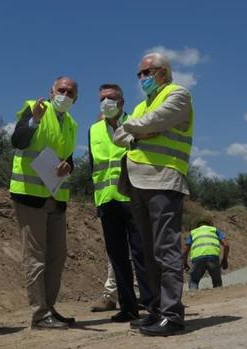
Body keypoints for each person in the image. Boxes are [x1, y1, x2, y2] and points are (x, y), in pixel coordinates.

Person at [114, 52, 194, 336]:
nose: (142, 78)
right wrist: (139, 131)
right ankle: (157, 311)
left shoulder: (178, 94)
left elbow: (158, 120)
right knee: (149, 252)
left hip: (164, 179)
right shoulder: (139, 106)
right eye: (140, 74)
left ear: (163, 72)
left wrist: (134, 127)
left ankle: (172, 315)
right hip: (137, 182)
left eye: (147, 72)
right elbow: (118, 136)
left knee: (166, 249)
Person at [9, 76, 78, 330]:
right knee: (35, 257)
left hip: (56, 197)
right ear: (51, 91)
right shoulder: (34, 108)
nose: (65, 94)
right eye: (62, 90)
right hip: (30, 195)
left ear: (76, 99)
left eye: (70, 92)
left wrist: (67, 166)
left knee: (57, 256)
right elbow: (18, 141)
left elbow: (69, 158)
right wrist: (34, 120)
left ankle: (49, 308)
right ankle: (39, 314)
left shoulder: (71, 124)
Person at [88, 84, 151, 322]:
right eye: (102, 98)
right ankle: (128, 307)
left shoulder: (134, 123)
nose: (106, 102)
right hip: (106, 200)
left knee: (141, 253)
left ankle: (150, 303)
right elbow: (94, 166)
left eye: (111, 98)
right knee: (117, 255)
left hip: (133, 198)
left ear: (121, 102)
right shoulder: (93, 130)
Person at [183, 219, 230, 290]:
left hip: (197, 259)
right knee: (217, 283)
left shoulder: (193, 232)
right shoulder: (214, 230)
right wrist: (224, 260)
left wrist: (185, 263)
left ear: (197, 226)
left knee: (194, 281)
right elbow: (226, 245)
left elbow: (185, 251)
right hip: (213, 258)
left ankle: (194, 296)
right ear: (209, 225)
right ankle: (219, 298)